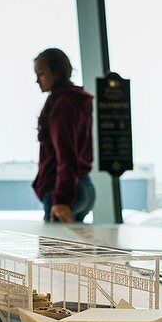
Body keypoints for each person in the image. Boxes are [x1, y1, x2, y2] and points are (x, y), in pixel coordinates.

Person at [31, 48, 96, 223]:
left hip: (64, 190)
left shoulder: (62, 105)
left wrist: (60, 199)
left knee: (53, 250)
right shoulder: (77, 101)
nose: (37, 80)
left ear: (56, 72)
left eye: (41, 74)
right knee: (71, 249)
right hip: (84, 186)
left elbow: (65, 155)